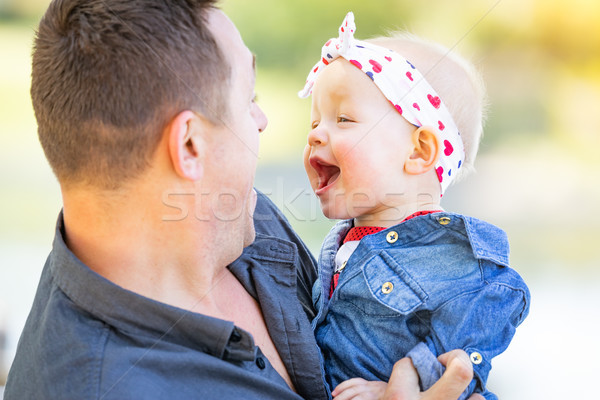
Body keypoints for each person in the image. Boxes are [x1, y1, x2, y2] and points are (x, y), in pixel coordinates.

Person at [5, 1, 481, 399]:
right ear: (189, 145)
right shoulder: (105, 385)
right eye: (248, 96)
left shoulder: (245, 219)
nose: (262, 119)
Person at [299, 12, 530, 400]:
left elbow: (499, 302)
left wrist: (396, 384)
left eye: (343, 118)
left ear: (419, 151)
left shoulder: (449, 252)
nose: (316, 134)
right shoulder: (344, 243)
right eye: (315, 121)